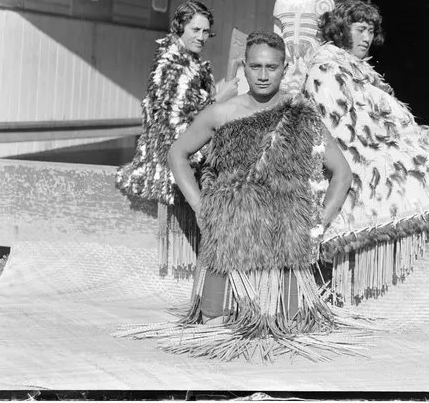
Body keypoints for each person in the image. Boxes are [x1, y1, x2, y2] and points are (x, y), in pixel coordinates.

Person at [117, 31, 369, 361]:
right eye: (255, 66)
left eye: (271, 67)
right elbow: (177, 153)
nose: (263, 75)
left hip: (284, 241)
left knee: (292, 327)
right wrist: (200, 206)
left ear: (285, 68)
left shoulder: (302, 115)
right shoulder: (221, 113)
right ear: (243, 67)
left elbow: (343, 173)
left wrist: (317, 223)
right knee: (214, 324)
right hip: (228, 238)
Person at [299, 0, 429, 302]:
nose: (366, 38)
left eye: (371, 31)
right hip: (347, 161)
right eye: (360, 29)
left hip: (372, 150)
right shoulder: (326, 70)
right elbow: (343, 126)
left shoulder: (357, 70)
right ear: (340, 30)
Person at [116, 0, 238, 278]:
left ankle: (198, 271)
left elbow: (192, 108)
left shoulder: (189, 62)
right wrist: (220, 99)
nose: (201, 37)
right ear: (180, 26)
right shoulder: (173, 65)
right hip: (174, 162)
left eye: (206, 32)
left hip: (184, 156)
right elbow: (179, 123)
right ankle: (196, 273)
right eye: (195, 29)